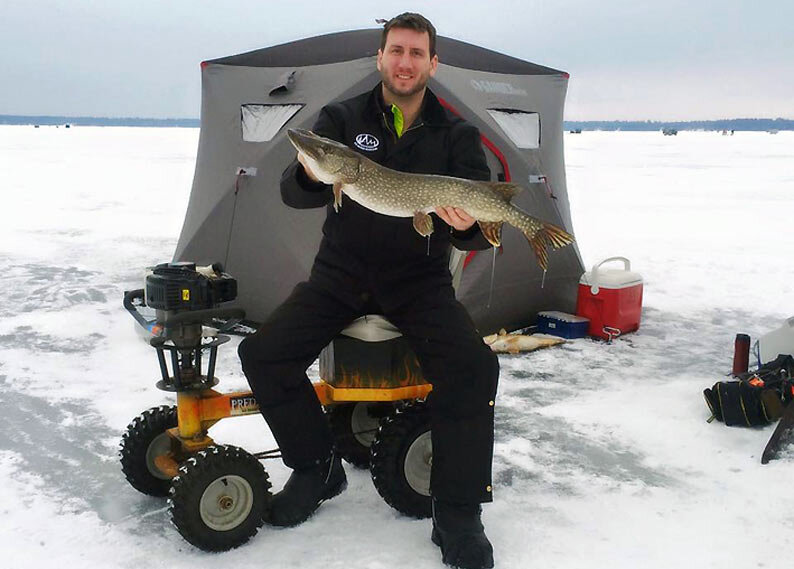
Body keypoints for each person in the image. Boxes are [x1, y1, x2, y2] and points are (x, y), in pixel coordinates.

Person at [238, 13, 499, 569]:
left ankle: (457, 511)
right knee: (262, 354)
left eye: (416, 53)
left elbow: (478, 230)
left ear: (433, 63)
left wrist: (461, 225)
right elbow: (294, 190)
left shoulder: (457, 135)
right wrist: (313, 174)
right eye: (396, 50)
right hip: (342, 275)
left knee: (474, 370)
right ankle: (316, 467)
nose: (405, 62)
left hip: (419, 283)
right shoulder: (341, 117)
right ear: (381, 58)